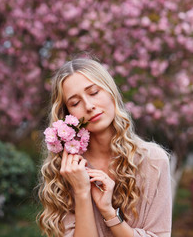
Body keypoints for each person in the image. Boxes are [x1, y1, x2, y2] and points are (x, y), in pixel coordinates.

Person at [37, 57, 172, 237]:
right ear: (67, 115)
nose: (89, 106)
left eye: (93, 92)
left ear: (111, 92)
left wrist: (109, 212)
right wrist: (82, 192)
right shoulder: (67, 170)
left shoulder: (153, 161)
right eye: (75, 103)